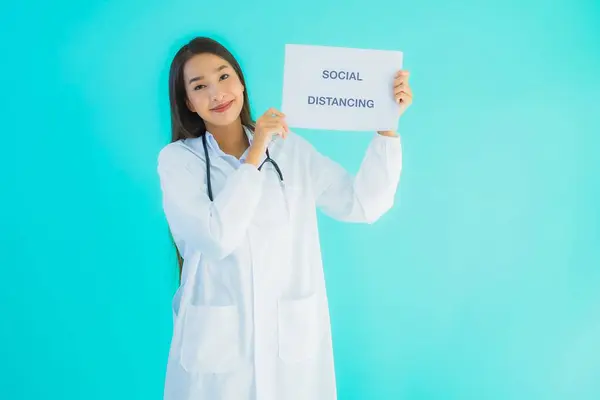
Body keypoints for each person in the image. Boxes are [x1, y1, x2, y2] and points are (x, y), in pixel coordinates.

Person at [156, 36, 413, 400]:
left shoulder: (290, 151)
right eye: (200, 86)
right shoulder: (178, 161)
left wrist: (387, 125)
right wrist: (256, 151)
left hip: (290, 346)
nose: (217, 93)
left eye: (224, 76)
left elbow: (363, 204)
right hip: (217, 358)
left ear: (241, 81)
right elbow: (216, 239)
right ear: (188, 102)